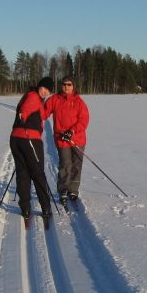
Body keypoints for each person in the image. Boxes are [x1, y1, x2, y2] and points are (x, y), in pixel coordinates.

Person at [10, 76, 55, 228]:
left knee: (23, 173)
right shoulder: (33, 96)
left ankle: (25, 208)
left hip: (15, 139)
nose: (45, 92)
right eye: (44, 88)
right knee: (37, 173)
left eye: (48, 91)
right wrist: (23, 116)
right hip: (29, 139)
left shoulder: (32, 97)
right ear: (39, 86)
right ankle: (46, 208)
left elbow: (41, 114)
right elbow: (25, 110)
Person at [45, 75, 89, 210]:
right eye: (64, 84)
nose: (66, 87)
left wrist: (72, 131)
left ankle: (73, 190)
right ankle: (63, 189)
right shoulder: (55, 100)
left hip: (78, 139)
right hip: (62, 139)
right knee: (65, 165)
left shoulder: (79, 102)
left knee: (76, 165)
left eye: (69, 84)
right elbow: (43, 112)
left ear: (73, 86)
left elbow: (84, 120)